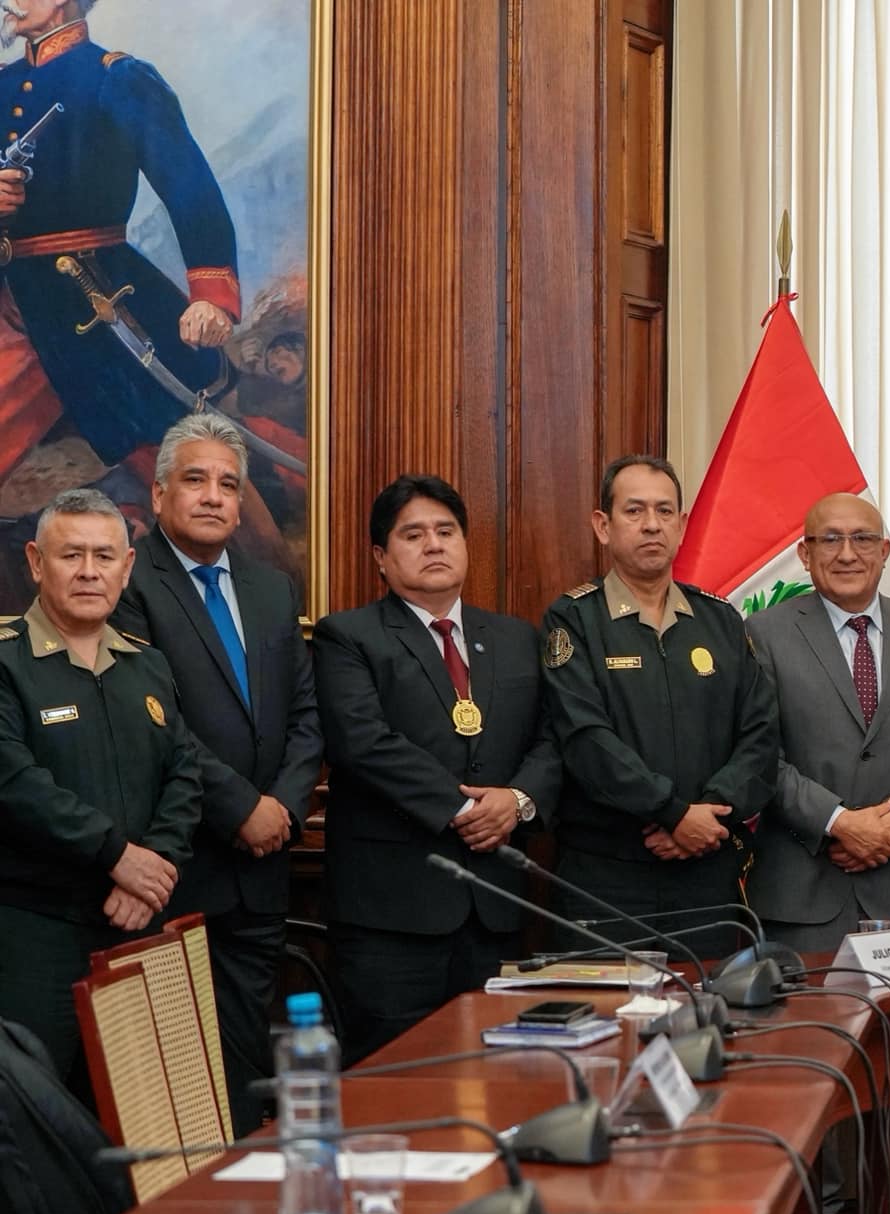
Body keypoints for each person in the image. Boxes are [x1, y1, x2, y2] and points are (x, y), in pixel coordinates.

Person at [747, 492, 890, 1214]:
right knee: (809, 1056)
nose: (846, 553)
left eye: (862, 538)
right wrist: (838, 822)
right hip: (805, 881)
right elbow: (758, 755)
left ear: (886, 549)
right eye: (828, 539)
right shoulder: (763, 633)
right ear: (803, 554)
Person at [109, 414, 321, 1134]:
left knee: (247, 1068)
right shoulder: (130, 583)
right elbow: (154, 720)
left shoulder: (271, 588)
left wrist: (282, 807)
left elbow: (306, 714)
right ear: (159, 494)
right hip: (176, 866)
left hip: (262, 869)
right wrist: (239, 809)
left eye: (228, 484)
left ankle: (247, 1189)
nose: (212, 496)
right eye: (195, 480)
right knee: (173, 1089)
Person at [311, 475, 559, 1062]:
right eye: (413, 534)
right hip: (391, 916)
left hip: (494, 910)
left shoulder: (516, 638)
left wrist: (517, 800)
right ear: (381, 556)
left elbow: (554, 739)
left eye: (446, 531)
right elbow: (363, 743)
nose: (434, 545)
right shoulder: (348, 636)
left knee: (495, 1077)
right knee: (394, 1080)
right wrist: (468, 808)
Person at [0, 488, 201, 1095]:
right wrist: (116, 855)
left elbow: (185, 774)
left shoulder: (149, 665)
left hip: (140, 925)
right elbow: (13, 780)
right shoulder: (8, 661)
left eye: (104, 556)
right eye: (72, 555)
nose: (89, 571)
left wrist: (154, 866)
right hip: (35, 935)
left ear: (127, 566)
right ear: (36, 563)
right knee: (33, 1116)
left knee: (146, 1117)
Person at [540, 455, 777, 953]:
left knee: (712, 1002)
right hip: (608, 877)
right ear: (602, 526)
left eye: (665, 511)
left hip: (708, 871)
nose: (652, 524)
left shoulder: (721, 620)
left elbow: (760, 736)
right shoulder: (573, 619)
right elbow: (586, 740)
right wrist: (672, 813)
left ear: (683, 525)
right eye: (635, 510)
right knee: (605, 1005)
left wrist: (706, 818)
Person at [0, 1, 242, 483]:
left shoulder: (118, 78)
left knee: (171, 451)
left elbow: (189, 186)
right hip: (11, 298)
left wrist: (211, 297)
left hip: (89, 294)